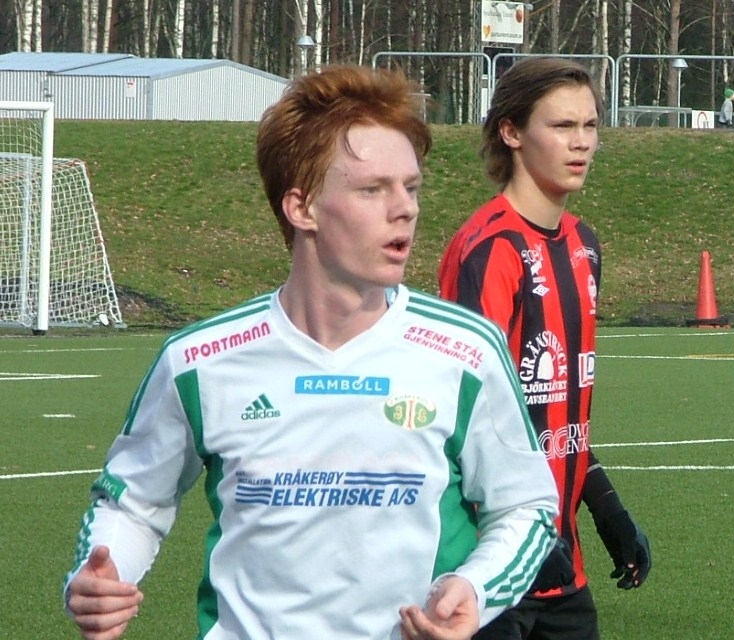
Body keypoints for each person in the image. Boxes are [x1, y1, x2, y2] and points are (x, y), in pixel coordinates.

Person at [63, 63, 560, 640]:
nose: (405, 208)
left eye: (411, 187)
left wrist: (475, 588)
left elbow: (527, 506)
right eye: (373, 189)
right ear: (302, 208)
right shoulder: (200, 360)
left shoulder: (465, 351)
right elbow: (131, 503)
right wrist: (99, 575)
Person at [438, 57, 652, 640]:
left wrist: (605, 506)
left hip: (563, 570)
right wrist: (524, 534)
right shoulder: (490, 250)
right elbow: (469, 416)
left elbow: (556, 414)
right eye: (561, 126)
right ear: (511, 132)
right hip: (488, 575)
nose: (581, 142)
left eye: (590, 125)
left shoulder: (584, 245)